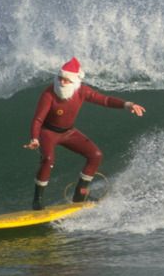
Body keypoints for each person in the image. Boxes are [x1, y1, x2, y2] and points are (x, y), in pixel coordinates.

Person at [23, 57, 145, 210]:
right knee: (48, 159)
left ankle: (79, 195)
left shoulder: (82, 91)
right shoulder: (49, 93)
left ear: (74, 81)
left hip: (68, 132)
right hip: (48, 132)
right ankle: (37, 201)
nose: (62, 82)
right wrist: (35, 138)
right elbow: (38, 119)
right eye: (60, 78)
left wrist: (128, 105)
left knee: (96, 155)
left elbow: (105, 100)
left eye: (66, 80)